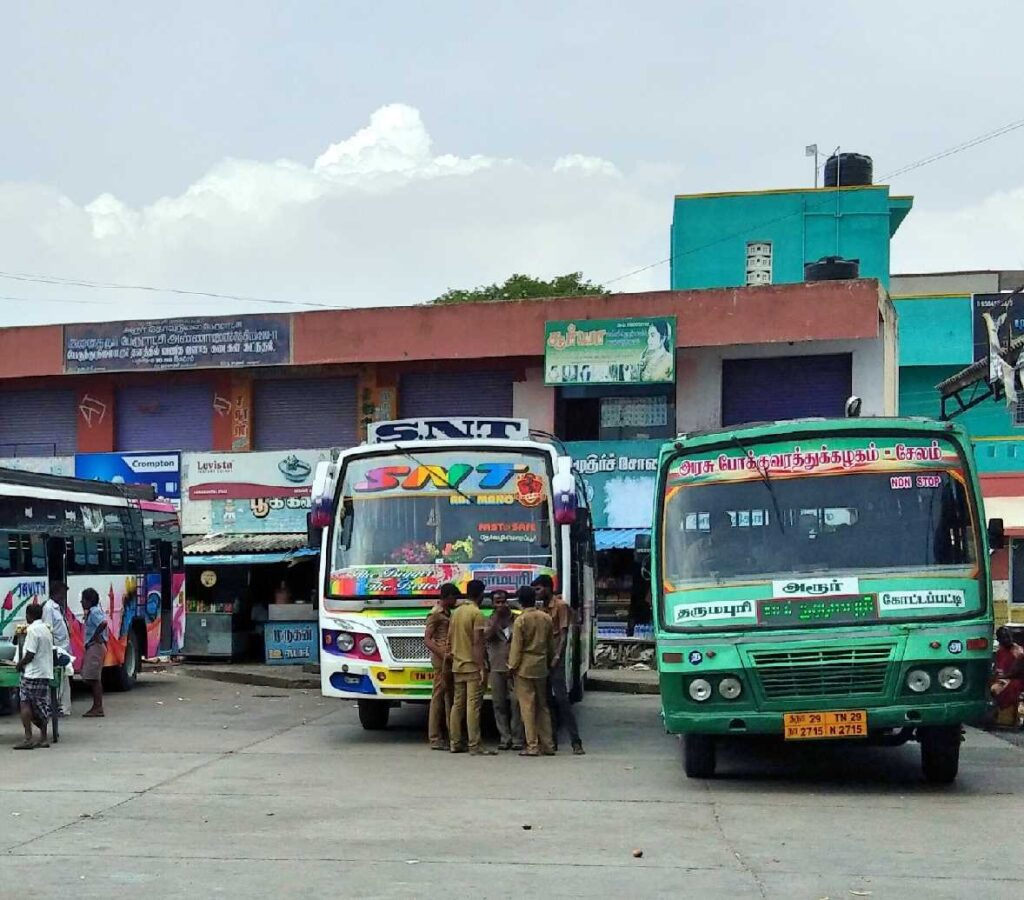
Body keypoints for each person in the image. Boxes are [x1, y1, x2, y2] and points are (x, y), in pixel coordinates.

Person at [533, 574, 585, 755]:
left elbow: (563, 635)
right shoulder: (540, 608)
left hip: (555, 658)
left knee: (562, 701)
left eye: (539, 589)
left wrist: (557, 657)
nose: (537, 593)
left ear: (548, 588)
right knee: (546, 701)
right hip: (543, 658)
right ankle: (551, 741)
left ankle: (575, 741)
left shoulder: (560, 606)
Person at [448, 579, 495, 755]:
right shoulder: (477, 613)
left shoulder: (456, 612)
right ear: (481, 594)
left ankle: (455, 742)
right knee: (473, 706)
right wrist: (481, 666)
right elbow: (477, 642)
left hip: (457, 665)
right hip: (472, 666)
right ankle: (474, 745)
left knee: (457, 705)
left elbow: (450, 637)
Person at [508, 585, 556, 757]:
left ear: (520, 601)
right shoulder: (546, 617)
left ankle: (532, 745)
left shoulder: (520, 620)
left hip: (524, 667)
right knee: (542, 706)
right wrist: (549, 663)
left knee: (527, 707)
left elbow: (516, 647)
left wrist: (512, 667)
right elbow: (551, 645)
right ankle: (548, 744)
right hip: (541, 665)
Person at [484, 589, 524, 751]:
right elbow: (486, 636)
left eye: (503, 601)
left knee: (516, 703)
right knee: (499, 704)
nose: (501, 605)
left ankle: (517, 738)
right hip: (497, 666)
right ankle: (504, 737)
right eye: (497, 602)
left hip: (515, 667)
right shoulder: (489, 620)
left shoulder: (517, 619)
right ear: (493, 604)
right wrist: (496, 620)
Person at [14, 603, 54, 749]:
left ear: (29, 615)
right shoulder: (46, 629)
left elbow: (30, 654)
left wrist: (20, 664)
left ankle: (28, 738)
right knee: (41, 706)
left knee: (25, 703)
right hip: (44, 672)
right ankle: (43, 738)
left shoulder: (32, 630)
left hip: (32, 673)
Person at [424, 582, 458, 750]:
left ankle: (450, 734)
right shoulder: (436, 614)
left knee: (448, 696)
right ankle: (435, 737)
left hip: (448, 658)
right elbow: (427, 639)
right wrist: (443, 654)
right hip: (441, 659)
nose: (456, 601)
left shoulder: (448, 612)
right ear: (448, 597)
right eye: (454, 597)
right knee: (438, 696)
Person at [42, 582, 72, 716]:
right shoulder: (48, 608)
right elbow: (48, 630)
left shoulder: (57, 608)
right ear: (56, 593)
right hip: (57, 649)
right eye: (62, 594)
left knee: (64, 678)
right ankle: (58, 707)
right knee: (58, 680)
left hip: (64, 648)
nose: (64, 597)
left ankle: (63, 707)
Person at [81, 588, 108, 718]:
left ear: (89, 601)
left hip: (95, 646)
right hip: (93, 646)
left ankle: (98, 707)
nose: (81, 602)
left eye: (83, 600)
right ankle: (96, 706)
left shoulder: (94, 611)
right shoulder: (91, 612)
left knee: (93, 678)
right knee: (90, 676)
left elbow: (103, 623)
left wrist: (95, 636)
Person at [991, 626, 1024, 723]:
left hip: (1017, 680)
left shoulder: (1018, 652)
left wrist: (999, 677)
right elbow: (997, 667)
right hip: (1005, 678)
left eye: (1008, 637)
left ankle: (1004, 716)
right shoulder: (1000, 652)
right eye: (1004, 637)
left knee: (996, 688)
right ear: (999, 640)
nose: (1007, 639)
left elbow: (1015, 673)